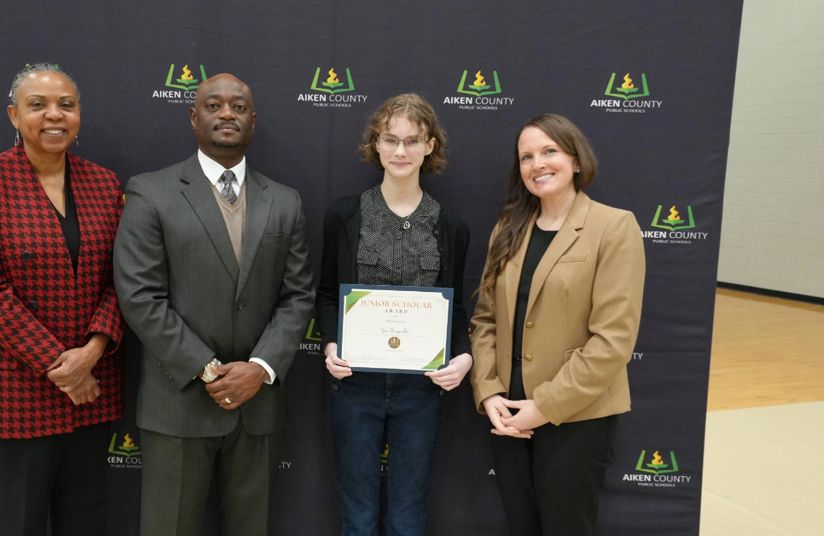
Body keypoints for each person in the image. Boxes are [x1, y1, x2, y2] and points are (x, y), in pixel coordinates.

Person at [113, 73, 314, 536]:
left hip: (257, 406)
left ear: (253, 120)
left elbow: (298, 295)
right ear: (193, 116)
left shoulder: (286, 202)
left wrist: (259, 368)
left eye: (239, 106)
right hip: (179, 403)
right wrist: (209, 369)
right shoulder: (150, 191)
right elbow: (140, 295)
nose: (227, 113)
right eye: (214, 105)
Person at [0, 63, 125, 536]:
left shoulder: (105, 184)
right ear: (14, 115)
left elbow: (123, 281)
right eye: (38, 105)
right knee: (20, 521)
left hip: (93, 386)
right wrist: (62, 366)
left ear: (78, 115)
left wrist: (90, 354)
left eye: (66, 105)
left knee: (86, 518)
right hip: (19, 387)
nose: (54, 115)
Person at [470, 114, 646, 536]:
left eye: (549, 151)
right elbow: (485, 320)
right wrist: (488, 390)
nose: (537, 164)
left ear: (576, 160)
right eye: (526, 156)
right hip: (509, 414)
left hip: (576, 418)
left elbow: (613, 340)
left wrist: (544, 407)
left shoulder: (614, 226)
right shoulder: (507, 230)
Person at [316, 93, 472, 536]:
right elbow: (327, 293)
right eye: (390, 139)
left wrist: (464, 357)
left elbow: (456, 307)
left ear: (430, 147)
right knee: (359, 515)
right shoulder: (344, 215)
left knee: (407, 516)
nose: (400, 151)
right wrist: (330, 345)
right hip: (355, 386)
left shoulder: (450, 225)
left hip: (420, 391)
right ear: (376, 145)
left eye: (412, 140)